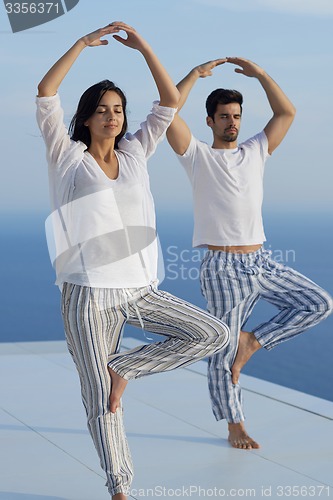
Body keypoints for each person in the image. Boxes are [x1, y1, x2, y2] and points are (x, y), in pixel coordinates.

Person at [36, 23, 230, 499]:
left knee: (213, 333)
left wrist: (144, 47)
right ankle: (120, 488)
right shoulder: (67, 157)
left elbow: (168, 100)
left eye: (118, 109)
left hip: (140, 289)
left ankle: (127, 367)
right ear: (85, 118)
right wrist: (82, 44)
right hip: (88, 294)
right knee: (101, 400)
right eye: (102, 110)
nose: (112, 117)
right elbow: (46, 91)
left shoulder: (138, 152)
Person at [166, 57, 333, 450]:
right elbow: (167, 111)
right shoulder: (196, 156)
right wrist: (193, 75)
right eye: (224, 116)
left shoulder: (256, 149)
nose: (232, 122)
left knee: (319, 303)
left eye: (236, 115)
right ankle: (234, 424)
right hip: (222, 266)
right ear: (210, 121)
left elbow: (286, 111)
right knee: (221, 349)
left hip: (260, 260)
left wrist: (260, 76)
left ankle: (253, 342)